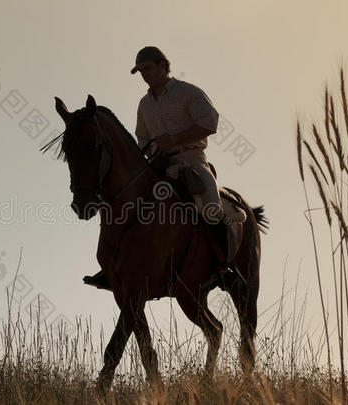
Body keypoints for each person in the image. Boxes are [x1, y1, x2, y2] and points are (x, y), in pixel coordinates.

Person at [83, 46, 245, 290]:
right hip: (159, 164)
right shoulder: (144, 104)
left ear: (162, 65)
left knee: (210, 204)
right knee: (125, 204)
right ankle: (113, 266)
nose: (144, 75)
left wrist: (175, 139)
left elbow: (210, 123)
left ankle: (224, 269)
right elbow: (142, 139)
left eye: (147, 69)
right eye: (140, 71)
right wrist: (147, 156)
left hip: (192, 159)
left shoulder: (188, 92)